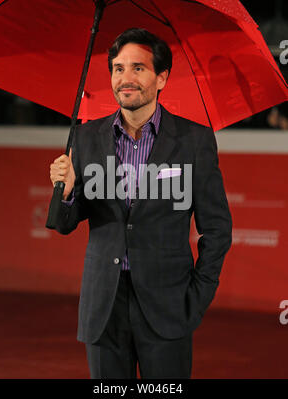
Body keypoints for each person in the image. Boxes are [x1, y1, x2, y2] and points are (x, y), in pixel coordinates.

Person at [50, 28, 232, 379]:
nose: (126, 78)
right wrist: (67, 191)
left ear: (161, 77)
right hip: (103, 307)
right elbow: (64, 223)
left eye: (138, 68)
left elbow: (218, 229)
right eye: (118, 68)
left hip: (169, 305)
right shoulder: (86, 137)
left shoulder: (194, 140)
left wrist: (196, 297)